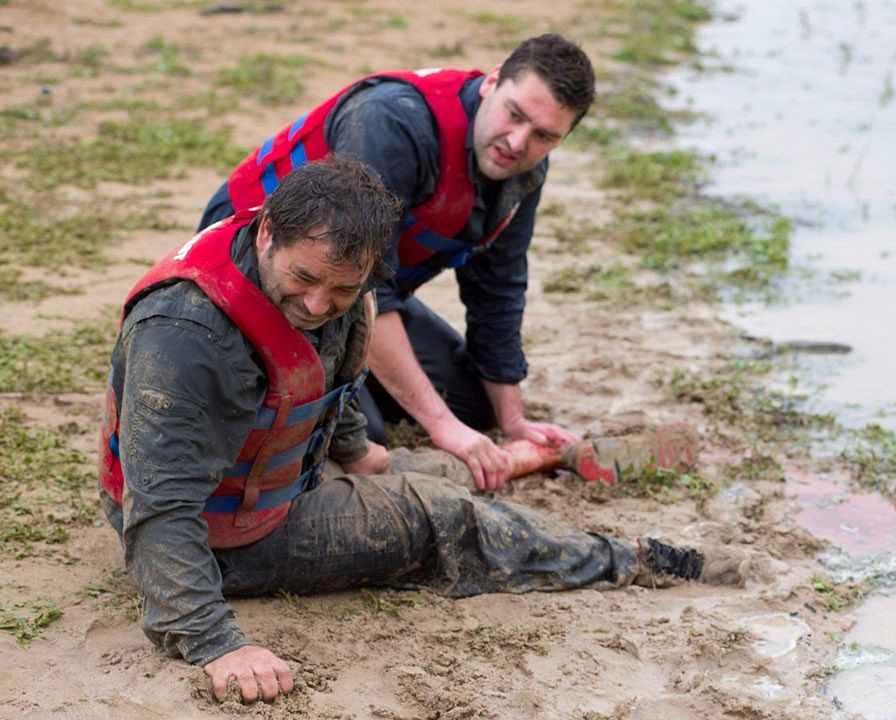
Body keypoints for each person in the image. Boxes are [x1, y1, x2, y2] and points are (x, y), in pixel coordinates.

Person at [99, 158, 748, 705]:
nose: (318, 303)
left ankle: (549, 457)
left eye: (342, 288)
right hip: (219, 534)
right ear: (266, 232)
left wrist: (357, 453)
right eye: (304, 280)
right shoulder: (184, 334)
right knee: (441, 513)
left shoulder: (339, 284)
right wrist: (216, 644)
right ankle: (634, 559)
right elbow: (158, 511)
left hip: (282, 469)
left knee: (449, 468)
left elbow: (328, 374)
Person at [197, 33, 594, 493]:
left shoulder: (522, 168)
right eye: (515, 114)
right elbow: (369, 289)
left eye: (544, 136)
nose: (518, 141)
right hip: (259, 274)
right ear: (491, 83)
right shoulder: (391, 122)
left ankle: (345, 386)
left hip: (344, 293)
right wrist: (441, 429)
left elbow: (499, 287)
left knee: (471, 405)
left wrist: (513, 421)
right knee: (362, 437)